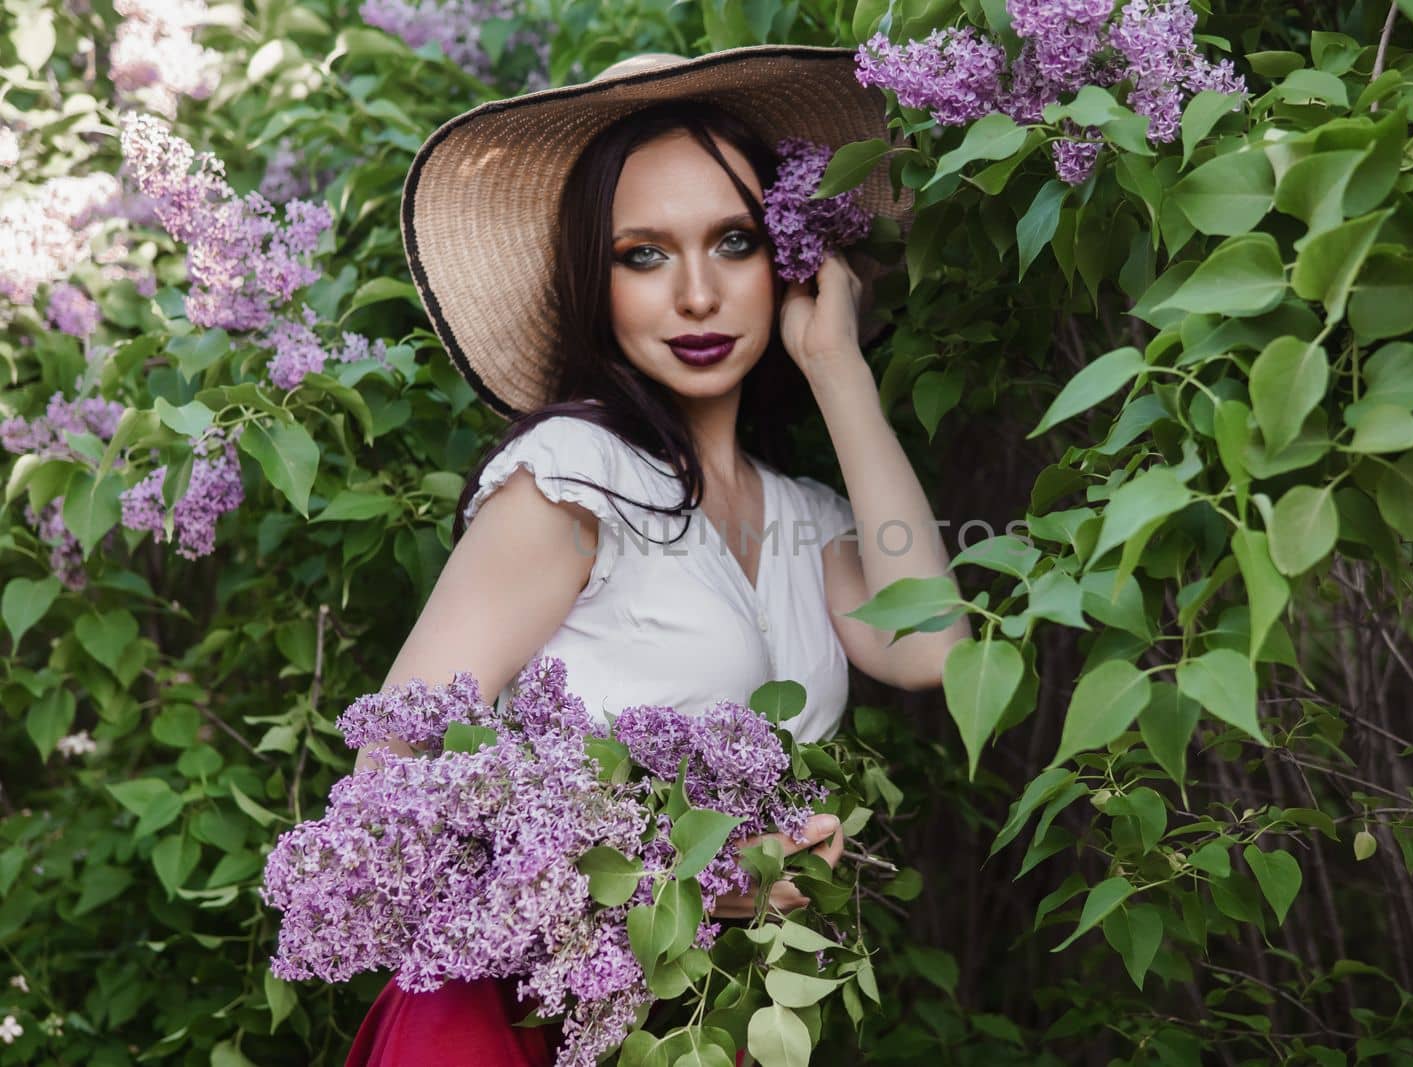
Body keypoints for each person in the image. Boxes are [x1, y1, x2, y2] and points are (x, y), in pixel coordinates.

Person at [342, 43, 971, 1066]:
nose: (694, 295)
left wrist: (836, 366)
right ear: (596, 281)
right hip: (515, 1019)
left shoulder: (808, 518)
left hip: (702, 1029)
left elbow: (935, 646)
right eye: (643, 253)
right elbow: (389, 763)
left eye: (732, 242)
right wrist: (675, 880)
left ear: (789, 259)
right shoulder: (572, 480)